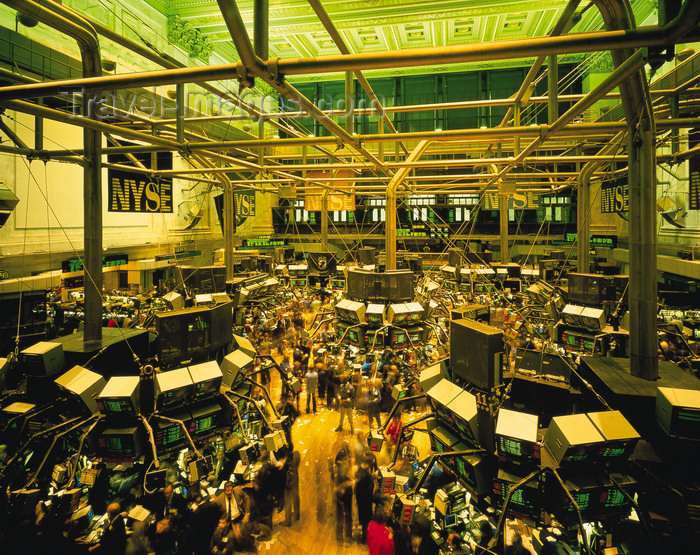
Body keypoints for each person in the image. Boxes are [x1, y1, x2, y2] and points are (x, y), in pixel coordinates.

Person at [333, 443, 354, 544]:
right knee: (347, 517)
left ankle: (339, 537)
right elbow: (345, 483)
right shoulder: (343, 470)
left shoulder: (339, 464)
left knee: (339, 516)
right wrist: (351, 482)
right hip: (345, 495)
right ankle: (348, 538)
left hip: (339, 495)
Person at [355, 454, 374, 544]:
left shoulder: (360, 469)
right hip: (365, 501)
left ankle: (364, 536)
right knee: (366, 520)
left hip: (360, 499)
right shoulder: (365, 476)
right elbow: (368, 489)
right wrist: (372, 479)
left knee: (364, 520)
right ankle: (365, 538)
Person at [281, 446, 301, 526]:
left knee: (287, 500)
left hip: (288, 481)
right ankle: (297, 515)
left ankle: (288, 521)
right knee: (296, 496)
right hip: (295, 478)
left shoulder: (287, 462)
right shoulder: (296, 455)